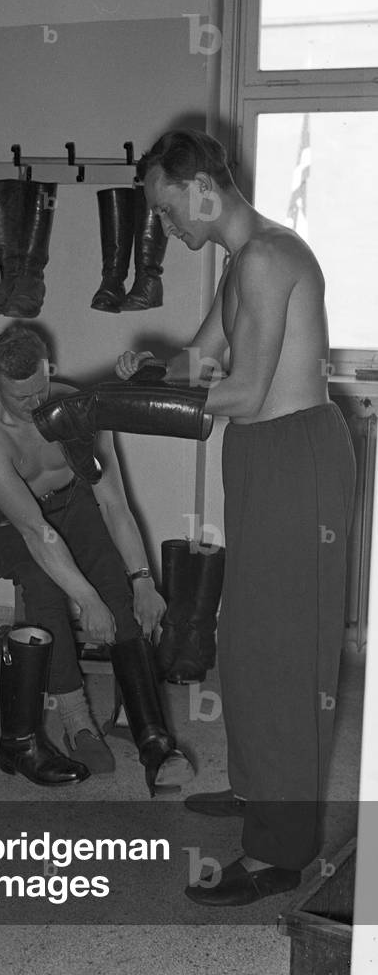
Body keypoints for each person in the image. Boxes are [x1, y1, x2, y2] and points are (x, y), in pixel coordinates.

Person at [113, 129, 356, 905]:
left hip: (295, 455)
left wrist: (114, 404)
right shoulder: (238, 263)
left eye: (165, 207)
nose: (165, 227)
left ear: (203, 189)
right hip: (262, 457)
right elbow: (199, 363)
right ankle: (258, 788)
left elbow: (244, 394)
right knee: (246, 638)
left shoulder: (267, 257)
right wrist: (152, 369)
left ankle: (282, 851)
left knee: (285, 653)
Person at [0, 324, 193, 794]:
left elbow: (113, 505)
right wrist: (85, 600)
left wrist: (143, 580)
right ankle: (78, 722)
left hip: (73, 506)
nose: (33, 405)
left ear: (49, 369)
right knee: (46, 584)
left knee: (117, 582)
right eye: (18, 398)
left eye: (39, 390)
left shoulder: (80, 409)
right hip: (11, 526)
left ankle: (153, 738)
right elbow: (35, 531)